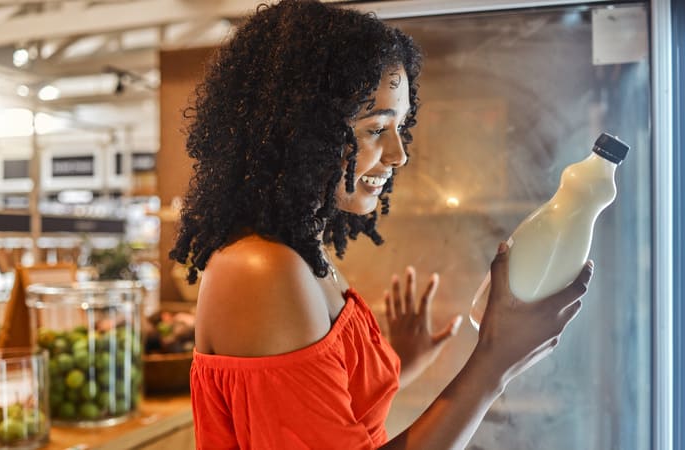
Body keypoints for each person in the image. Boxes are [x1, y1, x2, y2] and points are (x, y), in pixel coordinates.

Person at [170, 1, 593, 448]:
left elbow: (328, 412)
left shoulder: (297, 253)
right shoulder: (261, 270)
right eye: (375, 129)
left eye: (400, 127)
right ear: (300, 130)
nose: (398, 154)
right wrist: (494, 362)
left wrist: (396, 366)